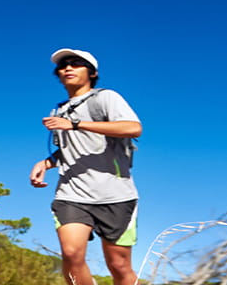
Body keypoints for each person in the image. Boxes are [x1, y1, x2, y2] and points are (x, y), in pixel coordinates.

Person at [30, 48, 143, 285]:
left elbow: (133, 128)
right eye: (63, 66)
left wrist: (76, 124)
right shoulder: (59, 110)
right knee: (71, 254)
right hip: (72, 193)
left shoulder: (105, 97)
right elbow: (74, 150)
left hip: (116, 194)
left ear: (92, 73)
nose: (68, 68)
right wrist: (45, 163)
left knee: (119, 266)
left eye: (75, 63)